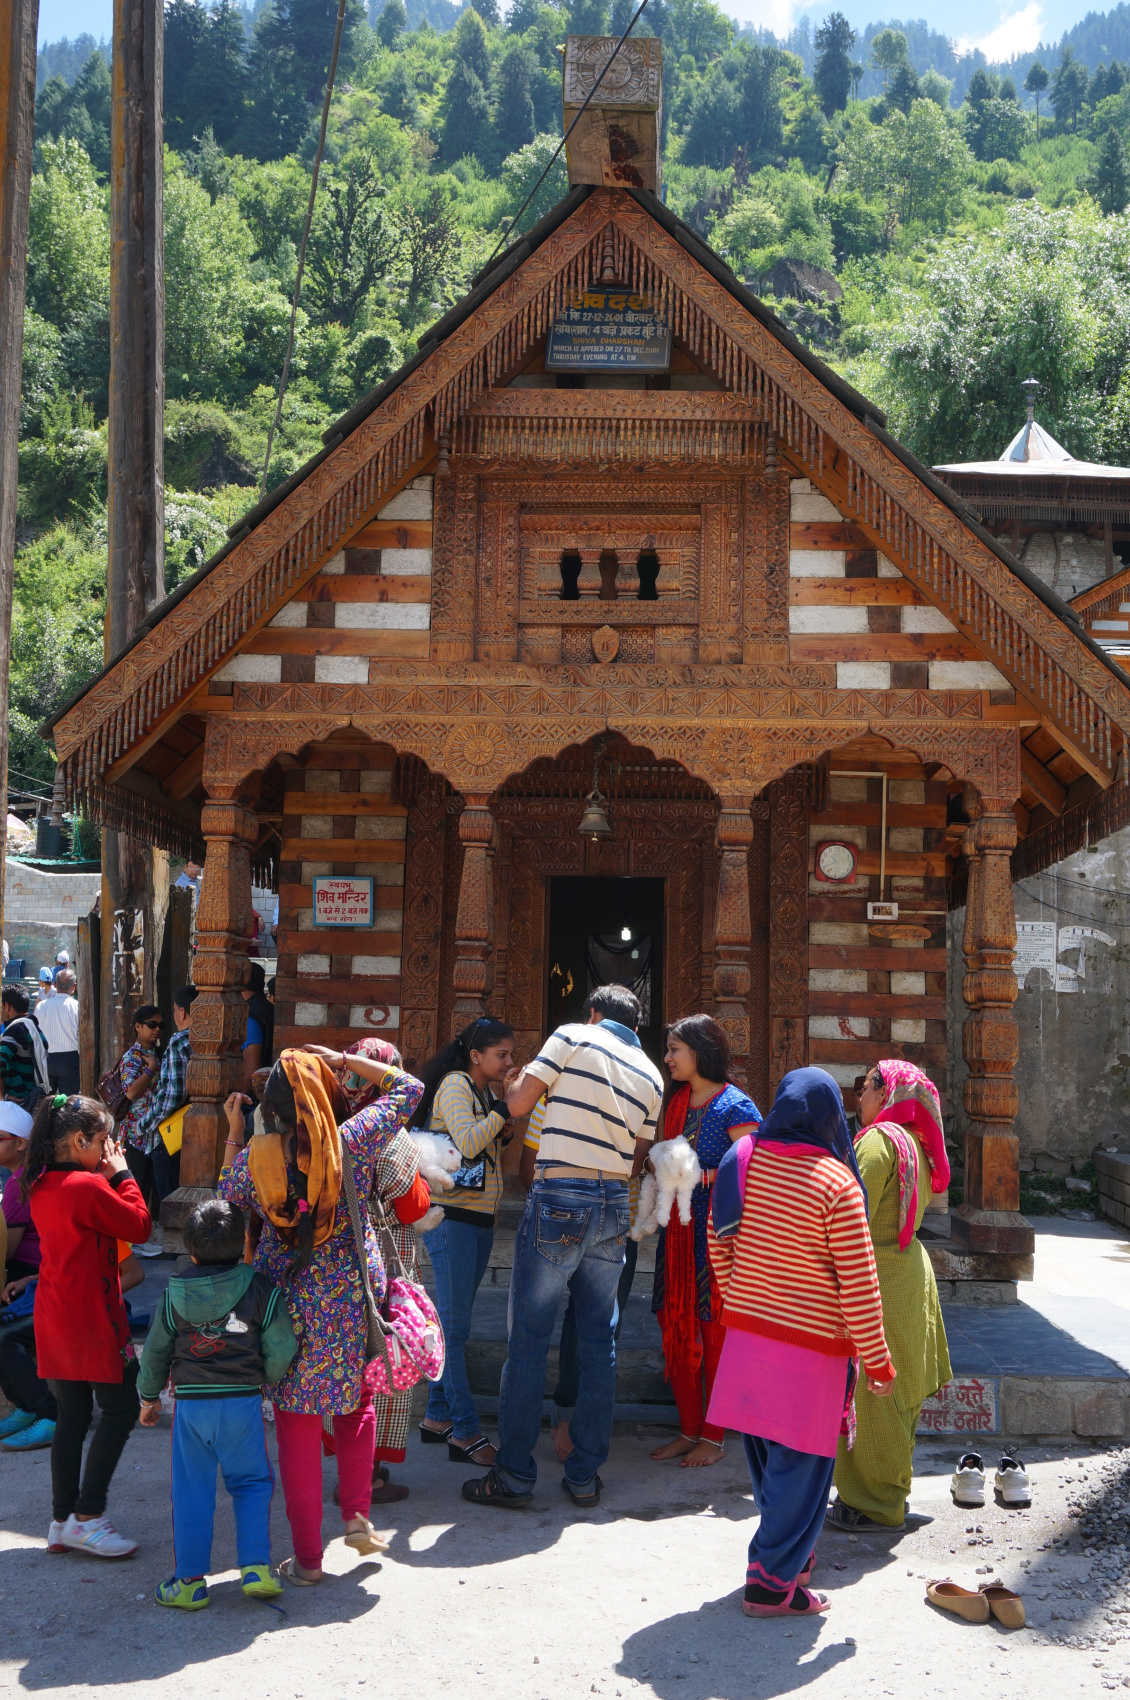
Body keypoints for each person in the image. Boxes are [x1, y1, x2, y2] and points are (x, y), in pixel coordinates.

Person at [218, 1049, 423, 1584]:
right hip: (352, 1298)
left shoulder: (255, 1162)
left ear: (273, 1107)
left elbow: (225, 1198)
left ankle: (308, 1561)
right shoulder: (350, 1143)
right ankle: (356, 1514)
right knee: (356, 1404)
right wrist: (347, 1057)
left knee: (298, 1427)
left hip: (287, 1308)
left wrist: (234, 1133)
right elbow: (410, 1089)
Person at [705, 1067, 895, 1617]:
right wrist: (879, 1362)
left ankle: (792, 1564)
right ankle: (768, 1585)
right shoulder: (836, 1182)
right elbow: (859, 1286)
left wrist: (741, 1301)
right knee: (806, 1471)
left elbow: (720, 1247)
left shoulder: (741, 1160)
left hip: (749, 1341)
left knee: (770, 1465)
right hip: (812, 1354)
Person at [466, 985, 663, 1511]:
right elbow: (639, 1154)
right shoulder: (651, 1072)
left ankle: (513, 1476)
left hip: (560, 1193)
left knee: (529, 1337)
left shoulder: (572, 1036)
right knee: (600, 1343)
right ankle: (583, 1477)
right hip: (613, 1202)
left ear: (595, 1013)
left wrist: (516, 1082)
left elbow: (518, 1104)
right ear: (635, 1024)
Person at [137, 1197, 298, 1608]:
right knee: (251, 1484)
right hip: (243, 1405)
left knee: (191, 1490)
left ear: (190, 1250)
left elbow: (155, 1352)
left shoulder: (173, 1294)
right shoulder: (262, 1288)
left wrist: (148, 1398)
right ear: (245, 1240)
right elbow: (282, 1346)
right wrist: (268, 1379)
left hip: (192, 1410)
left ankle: (189, 1582)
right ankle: (256, 1568)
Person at [24, 1093, 152, 1557]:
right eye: (102, 1141)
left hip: (56, 1312)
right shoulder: (86, 1185)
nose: (108, 1149)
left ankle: (62, 1519)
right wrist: (122, 1174)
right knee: (119, 1409)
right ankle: (88, 1515)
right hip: (90, 1317)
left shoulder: (37, 1182)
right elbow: (139, 1225)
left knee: (72, 1419)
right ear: (78, 1140)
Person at [829, 1060, 952, 1532]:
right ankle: (887, 1491)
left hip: (877, 1273)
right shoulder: (915, 1144)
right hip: (908, 1275)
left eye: (865, 1089)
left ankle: (874, 1505)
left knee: (873, 1393)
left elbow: (848, 1212)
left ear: (885, 1094)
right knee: (896, 1397)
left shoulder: (878, 1143)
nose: (858, 1098)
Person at [647, 1014, 761, 1468]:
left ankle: (714, 1436)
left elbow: (753, 1174)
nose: (668, 1057)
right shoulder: (676, 1102)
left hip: (718, 1237)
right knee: (670, 1321)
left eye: (675, 1049)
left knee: (715, 1332)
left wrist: (700, 1176)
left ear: (700, 1051)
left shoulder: (737, 1106)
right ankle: (689, 1428)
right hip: (677, 1233)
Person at [323, 1039, 432, 1504]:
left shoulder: (333, 1127)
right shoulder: (387, 1136)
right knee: (384, 1361)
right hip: (382, 1267)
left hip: (336, 1265)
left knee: (344, 1362)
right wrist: (423, 1181)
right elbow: (413, 1208)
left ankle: (345, 1468)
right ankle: (367, 1476)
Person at [411, 1017, 517, 1467]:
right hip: (453, 1219)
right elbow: (469, 1142)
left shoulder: (478, 1091)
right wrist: (506, 1109)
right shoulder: (456, 1085)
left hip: (476, 1218)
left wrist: (500, 1114)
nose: (509, 1062)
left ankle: (437, 1418)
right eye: (502, 1055)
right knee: (453, 1330)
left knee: (455, 1324)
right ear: (476, 1055)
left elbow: (484, 1143)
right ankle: (467, 1432)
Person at [133, 985, 196, 1202]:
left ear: (182, 1012)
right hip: (195, 1130)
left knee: (171, 1203)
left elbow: (173, 1096)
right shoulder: (208, 1039)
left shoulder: (180, 1041)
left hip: (171, 1135)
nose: (157, 1029)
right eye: (152, 1025)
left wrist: (142, 1125)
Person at [0, 984, 51, 1106]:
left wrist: (2, 1097)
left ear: (7, 1006)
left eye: (1, 1006)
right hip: (33, 1100)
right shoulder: (34, 1029)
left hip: (16, 1103)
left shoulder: (14, 1030)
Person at [37, 969, 80, 1097]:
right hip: (69, 1061)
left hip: (47, 1061)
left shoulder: (41, 1006)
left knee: (45, 1104)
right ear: (74, 987)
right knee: (68, 1104)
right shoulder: (77, 1006)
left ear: (55, 984)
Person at [241, 963, 274, 1092]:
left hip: (254, 1100)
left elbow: (252, 1069)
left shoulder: (251, 1016)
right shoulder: (268, 1007)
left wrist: (237, 1100)